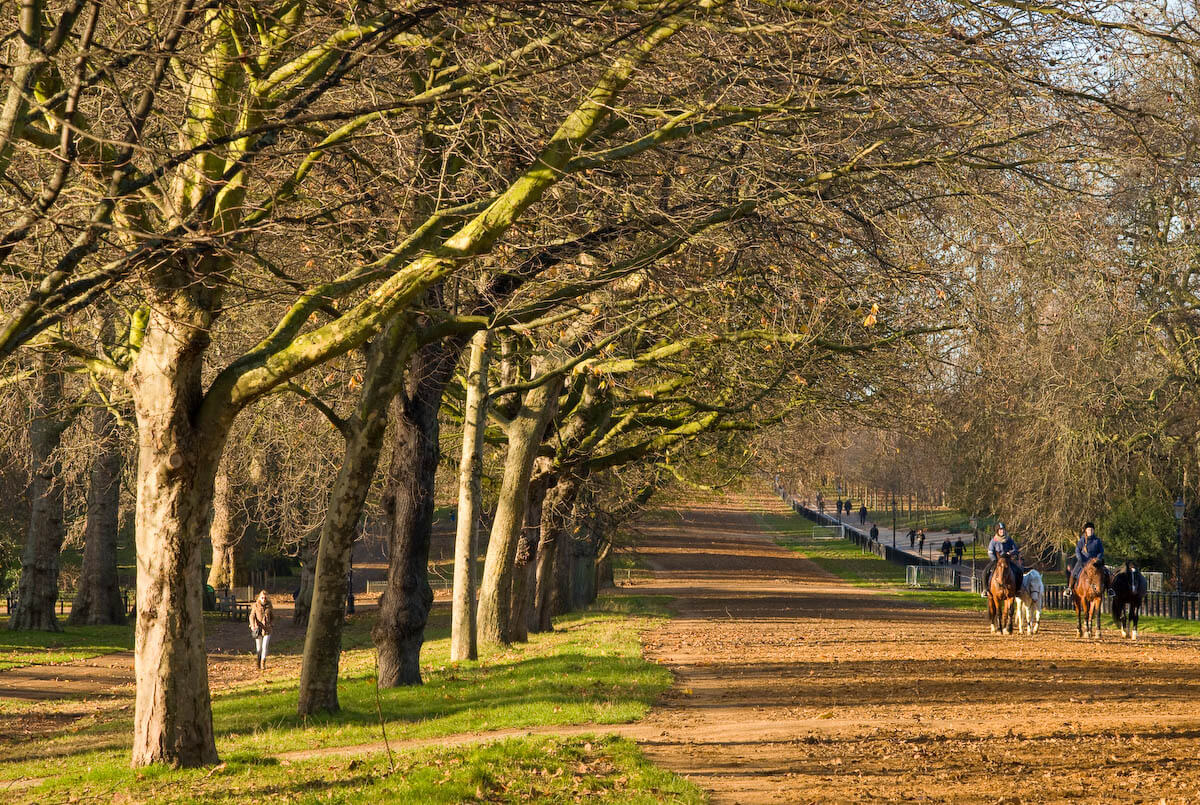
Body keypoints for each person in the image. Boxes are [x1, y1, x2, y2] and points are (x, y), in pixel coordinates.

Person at [1068, 522, 1107, 599]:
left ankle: (1110, 589)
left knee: (1106, 572)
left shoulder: (1097, 541)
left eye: (1092, 530)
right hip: (1083, 561)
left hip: (1095, 562)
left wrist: (1098, 559)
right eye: (1089, 530)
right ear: (1086, 531)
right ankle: (1069, 588)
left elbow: (1101, 551)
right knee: (1074, 572)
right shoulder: (1082, 540)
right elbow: (1077, 550)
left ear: (1094, 531)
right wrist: (1080, 559)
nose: (1090, 531)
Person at [982, 523, 1022, 597]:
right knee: (985, 572)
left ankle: (1018, 590)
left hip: (1007, 561)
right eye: (1000, 530)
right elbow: (990, 552)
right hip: (996, 561)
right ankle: (985, 590)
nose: (1002, 531)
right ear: (997, 531)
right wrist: (995, 560)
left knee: (1019, 571)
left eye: (1003, 530)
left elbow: (1015, 549)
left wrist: (1010, 553)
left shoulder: (1009, 539)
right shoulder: (993, 541)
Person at [249, 590, 273, 670]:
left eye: (265, 598)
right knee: (259, 648)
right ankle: (258, 661)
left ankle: (263, 662)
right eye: (262, 597)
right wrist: (253, 625)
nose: (264, 599)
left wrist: (271, 623)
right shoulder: (255, 606)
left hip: (267, 629)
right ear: (259, 598)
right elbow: (251, 616)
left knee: (265, 646)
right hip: (258, 629)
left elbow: (272, 616)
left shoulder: (269, 606)